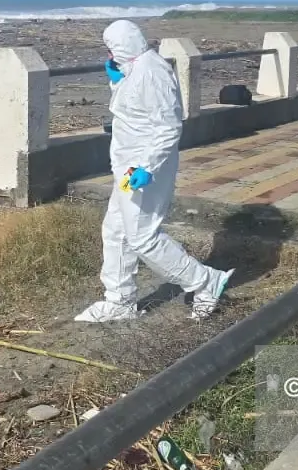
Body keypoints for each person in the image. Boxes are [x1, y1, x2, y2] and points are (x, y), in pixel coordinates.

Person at [75, 20, 234, 323]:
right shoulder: (135, 65)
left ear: (123, 44)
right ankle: (119, 300)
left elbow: (168, 125)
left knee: (142, 237)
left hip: (144, 166)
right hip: (128, 166)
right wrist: (117, 80)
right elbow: (132, 106)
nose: (109, 52)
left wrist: (148, 166)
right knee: (116, 230)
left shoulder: (153, 70)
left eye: (111, 46)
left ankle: (205, 281)